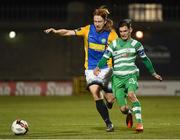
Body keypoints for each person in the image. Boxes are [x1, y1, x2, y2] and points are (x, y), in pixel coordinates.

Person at [44, 6, 119, 132]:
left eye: (99, 21)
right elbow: (69, 32)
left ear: (105, 21)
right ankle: (108, 123)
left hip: (106, 69)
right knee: (95, 93)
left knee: (110, 98)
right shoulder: (88, 29)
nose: (97, 24)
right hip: (90, 69)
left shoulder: (112, 34)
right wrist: (56, 31)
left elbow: (120, 49)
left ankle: (110, 102)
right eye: (95, 21)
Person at [94, 19, 163, 132]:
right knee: (123, 109)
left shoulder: (137, 44)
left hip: (131, 75)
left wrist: (153, 73)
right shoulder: (114, 44)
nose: (123, 33)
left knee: (131, 95)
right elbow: (105, 58)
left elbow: (145, 59)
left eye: (125, 31)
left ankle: (140, 124)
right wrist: (98, 67)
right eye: (121, 31)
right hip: (117, 78)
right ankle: (129, 112)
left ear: (130, 30)